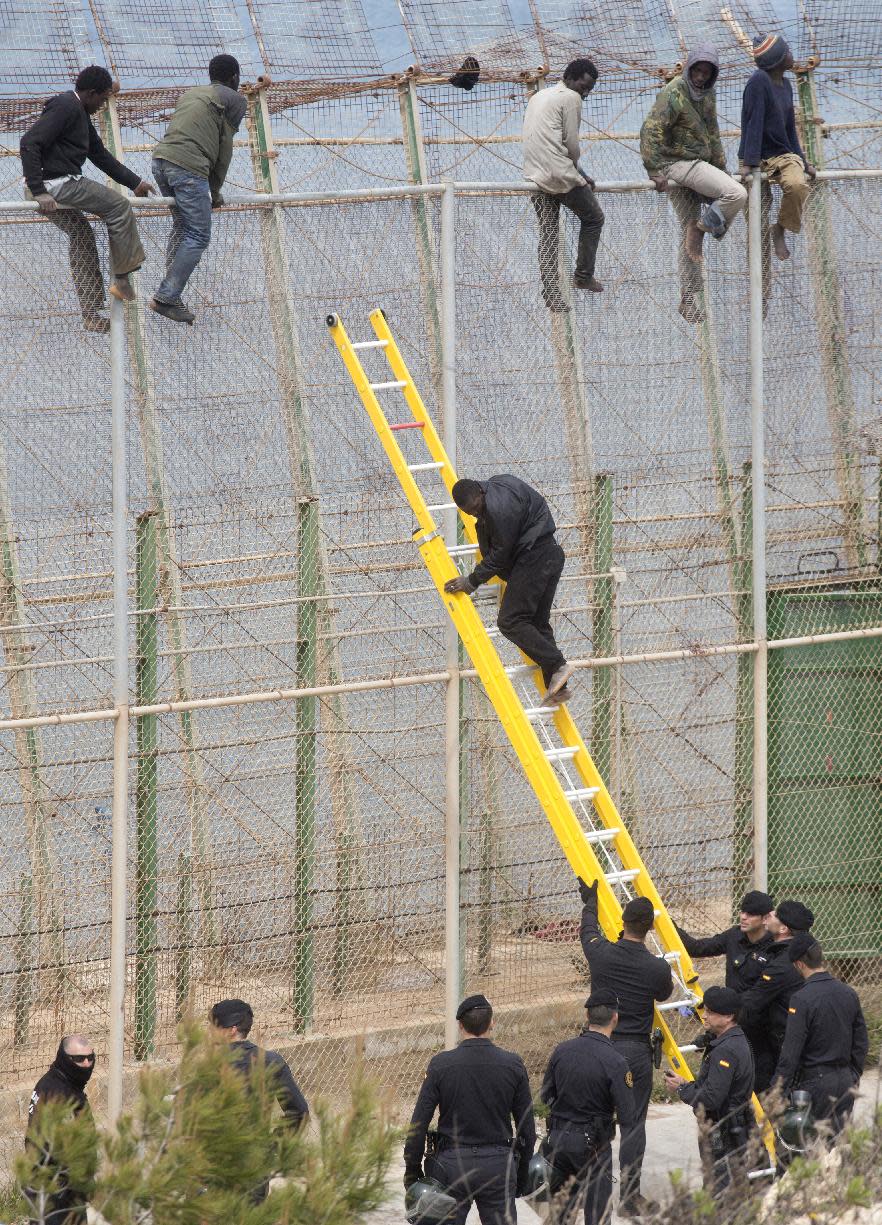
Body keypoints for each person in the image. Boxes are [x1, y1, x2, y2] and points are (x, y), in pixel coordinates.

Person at [19, 65, 155, 333]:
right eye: (103, 99)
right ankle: (123, 276)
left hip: (51, 185)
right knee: (118, 205)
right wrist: (39, 190)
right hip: (56, 185)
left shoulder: (79, 112)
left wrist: (135, 182)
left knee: (82, 234)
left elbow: (100, 156)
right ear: (92, 93)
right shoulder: (66, 106)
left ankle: (91, 314)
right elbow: (29, 142)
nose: (103, 105)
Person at [578, 878, 673, 1217]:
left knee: (593, 1120)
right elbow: (664, 994)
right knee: (633, 1126)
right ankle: (629, 1198)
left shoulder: (601, 952)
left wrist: (590, 903)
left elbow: (587, 932)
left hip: (598, 1047)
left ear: (622, 923)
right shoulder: (657, 967)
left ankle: (593, 1194)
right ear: (649, 928)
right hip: (634, 1051)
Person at [403, 993, 536, 1225]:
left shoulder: (441, 1065)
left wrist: (413, 1172)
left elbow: (419, 1124)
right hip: (498, 1166)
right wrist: (520, 1174)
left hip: (451, 1166)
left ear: (460, 1025)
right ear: (492, 1023)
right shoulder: (512, 1064)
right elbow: (527, 1130)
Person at [444, 476, 574, 706]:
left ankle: (557, 664)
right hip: (549, 554)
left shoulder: (498, 509)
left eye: (476, 509)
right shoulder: (497, 487)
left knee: (510, 621)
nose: (475, 514)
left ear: (480, 494)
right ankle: (559, 688)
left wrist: (471, 581)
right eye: (470, 513)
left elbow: (501, 554)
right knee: (536, 623)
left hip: (535, 558)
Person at [640, 46, 747, 324]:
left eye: (706, 73)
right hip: (677, 164)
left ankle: (687, 298)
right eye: (696, 71)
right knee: (736, 193)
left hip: (699, 165)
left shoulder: (707, 94)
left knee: (688, 233)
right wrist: (654, 169)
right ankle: (705, 228)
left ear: (712, 75)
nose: (700, 77)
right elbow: (650, 129)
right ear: (688, 69)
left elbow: (712, 132)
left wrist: (722, 170)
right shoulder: (674, 92)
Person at [150, 54, 247, 323]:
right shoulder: (235, 100)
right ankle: (166, 296)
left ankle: (171, 292)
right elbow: (223, 149)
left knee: (182, 227)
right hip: (188, 169)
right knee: (199, 234)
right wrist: (214, 193)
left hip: (160, 162)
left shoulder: (192, 94)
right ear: (235, 78)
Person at [540, 987, 636, 1225]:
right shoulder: (615, 1061)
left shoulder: (562, 1050)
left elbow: (545, 1095)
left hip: (558, 1140)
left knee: (560, 1211)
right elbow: (628, 1115)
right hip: (593, 1145)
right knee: (598, 1212)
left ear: (587, 1017)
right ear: (615, 1018)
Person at [522, 58, 605, 311]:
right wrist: (577, 173)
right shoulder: (571, 98)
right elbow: (570, 144)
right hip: (559, 175)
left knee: (548, 233)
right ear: (570, 77)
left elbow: (549, 141)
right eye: (584, 84)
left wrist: (581, 173)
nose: (586, 91)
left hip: (534, 175)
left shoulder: (539, 96)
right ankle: (583, 276)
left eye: (590, 88)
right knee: (594, 218)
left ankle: (551, 293)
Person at [773, 935, 868, 1138]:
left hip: (815, 1082)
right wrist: (853, 1074)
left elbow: (791, 1052)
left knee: (811, 1146)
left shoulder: (801, 999)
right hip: (844, 1078)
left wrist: (777, 1089)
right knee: (839, 1143)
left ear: (799, 964)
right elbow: (861, 1042)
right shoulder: (848, 992)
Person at [664, 987, 756, 1197]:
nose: (704, 1015)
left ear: (728, 1016)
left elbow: (710, 1099)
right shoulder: (735, 1039)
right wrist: (687, 1084)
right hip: (736, 1125)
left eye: (711, 1012)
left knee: (719, 1190)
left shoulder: (726, 1050)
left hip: (723, 1129)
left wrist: (681, 1088)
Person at [739, 35, 816, 263]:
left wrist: (803, 161)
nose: (792, 55)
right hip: (757, 156)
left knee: (797, 185)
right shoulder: (759, 81)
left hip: (782, 156)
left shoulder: (787, 84)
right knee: (756, 223)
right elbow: (753, 122)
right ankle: (762, 292)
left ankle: (781, 228)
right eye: (787, 51)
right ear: (778, 59)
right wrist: (748, 162)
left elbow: (790, 128)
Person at [737, 899, 814, 1093]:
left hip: (788, 1044)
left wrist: (719, 1006)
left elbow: (754, 1000)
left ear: (783, 929)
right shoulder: (800, 953)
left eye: (775, 915)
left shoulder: (783, 964)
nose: (770, 915)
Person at [25, 1035, 98, 1225]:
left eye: (90, 1057)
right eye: (78, 1059)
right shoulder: (58, 1094)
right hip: (57, 1190)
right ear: (65, 1059)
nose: (86, 1063)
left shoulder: (59, 1082)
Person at [210, 999, 309, 1131]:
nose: (209, 1032)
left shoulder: (209, 1066)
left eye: (214, 1027)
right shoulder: (272, 1061)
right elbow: (300, 1112)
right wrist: (275, 1146)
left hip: (214, 1149)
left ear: (231, 1030)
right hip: (259, 1147)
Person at [674, 891, 775, 992]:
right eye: (742, 912)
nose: (743, 917)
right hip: (732, 1004)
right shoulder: (734, 935)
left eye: (750, 914)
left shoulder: (776, 947)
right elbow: (696, 948)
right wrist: (669, 924)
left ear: (765, 919)